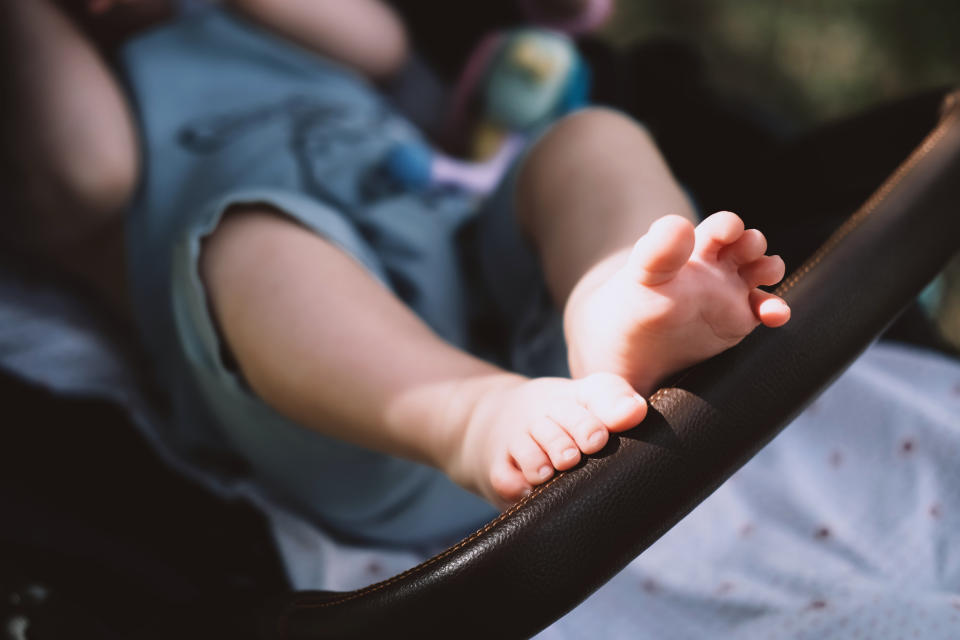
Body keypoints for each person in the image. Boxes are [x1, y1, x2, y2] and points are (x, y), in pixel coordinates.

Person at [5, 0, 789, 545]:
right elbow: (89, 171)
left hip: (455, 240)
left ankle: (613, 305)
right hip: (364, 411)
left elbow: (376, 42)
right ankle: (475, 416)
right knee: (248, 241)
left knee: (589, 137)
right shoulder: (53, 106)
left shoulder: (249, 19)